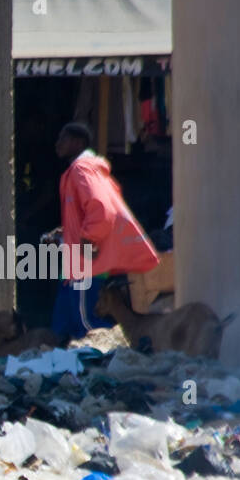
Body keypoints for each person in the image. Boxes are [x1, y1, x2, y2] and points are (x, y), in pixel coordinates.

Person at [45, 121, 159, 342]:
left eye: (63, 139)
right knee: (62, 331)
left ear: (78, 143)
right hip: (73, 269)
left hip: (86, 266)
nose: (57, 144)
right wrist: (67, 231)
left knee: (89, 330)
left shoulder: (81, 170)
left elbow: (102, 211)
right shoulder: (81, 171)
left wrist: (88, 239)